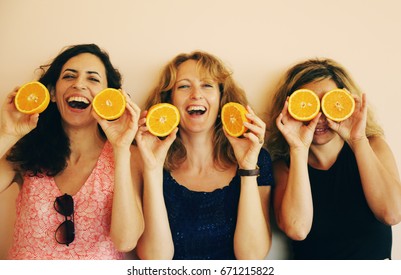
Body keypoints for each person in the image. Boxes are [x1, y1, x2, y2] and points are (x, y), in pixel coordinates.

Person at [0, 43, 144, 259]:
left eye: (93, 79)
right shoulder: (27, 151)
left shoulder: (129, 156)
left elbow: (125, 240)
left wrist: (121, 149)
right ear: (54, 94)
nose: (79, 84)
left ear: (108, 99)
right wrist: (8, 134)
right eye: (69, 76)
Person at [133, 51, 274, 260]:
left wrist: (247, 167)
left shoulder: (258, 159)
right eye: (183, 86)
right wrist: (153, 170)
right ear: (169, 102)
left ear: (221, 100)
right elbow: (155, 261)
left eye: (207, 85)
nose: (196, 94)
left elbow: (252, 258)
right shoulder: (146, 160)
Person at [266, 58, 401, 259]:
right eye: (308, 105)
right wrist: (298, 148)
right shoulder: (283, 166)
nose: (319, 117)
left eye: (329, 103)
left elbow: (392, 213)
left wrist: (358, 139)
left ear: (346, 104)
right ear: (290, 108)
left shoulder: (372, 146)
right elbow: (297, 229)